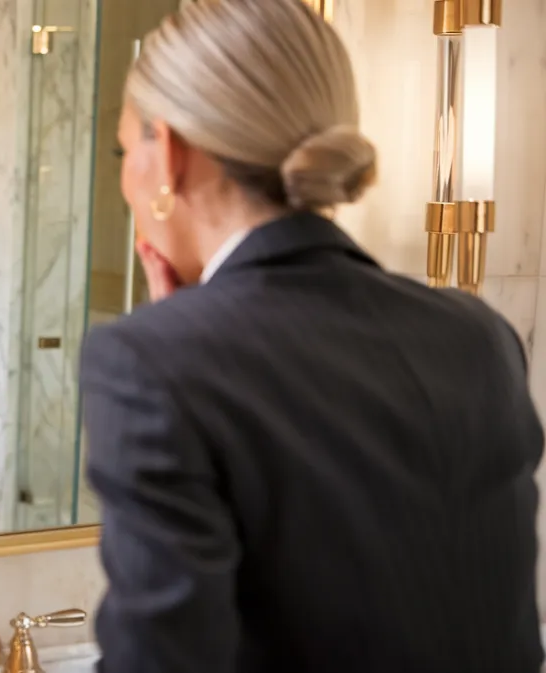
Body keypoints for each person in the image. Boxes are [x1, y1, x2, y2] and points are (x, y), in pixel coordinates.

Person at [80, 1, 543, 671]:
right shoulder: (480, 337)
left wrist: (174, 345)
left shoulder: (148, 360)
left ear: (171, 154)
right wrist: (188, 335)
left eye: (127, 149)